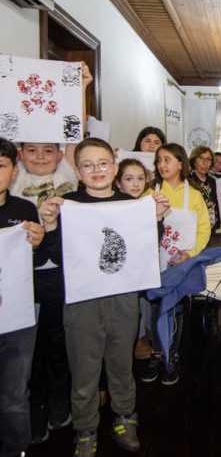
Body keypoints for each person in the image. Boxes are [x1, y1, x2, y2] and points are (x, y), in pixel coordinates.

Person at [38, 138, 169, 456]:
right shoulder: (67, 205)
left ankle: (125, 417)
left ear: (114, 167)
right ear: (78, 172)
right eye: (87, 165)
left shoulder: (131, 203)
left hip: (123, 299)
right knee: (83, 373)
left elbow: (144, 249)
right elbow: (56, 255)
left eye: (102, 163)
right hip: (81, 302)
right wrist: (51, 226)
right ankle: (85, 431)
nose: (96, 170)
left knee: (122, 366)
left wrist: (156, 219)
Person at [9, 63, 93, 444]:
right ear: (19, 155)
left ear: (60, 155)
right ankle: (37, 406)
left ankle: (60, 401)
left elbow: (74, 131)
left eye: (48, 150)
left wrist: (81, 87)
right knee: (33, 348)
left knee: (60, 342)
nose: (40, 157)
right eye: (31, 150)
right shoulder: (13, 179)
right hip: (24, 277)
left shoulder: (68, 174)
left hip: (62, 273)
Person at [142, 143, 210, 386]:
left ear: (181, 163)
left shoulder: (194, 195)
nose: (162, 164)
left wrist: (189, 254)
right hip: (154, 264)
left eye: (167, 159)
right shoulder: (148, 194)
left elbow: (204, 229)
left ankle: (172, 353)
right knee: (155, 309)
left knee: (176, 309)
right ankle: (157, 353)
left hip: (181, 264)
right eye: (159, 160)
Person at [0, 138, 45, 457]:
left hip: (17, 317)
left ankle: (16, 449)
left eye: (1, 165)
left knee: (15, 394)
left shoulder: (24, 210)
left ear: (14, 172)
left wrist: (39, 241)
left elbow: (35, 263)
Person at [114, 159, 153, 360]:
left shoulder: (146, 205)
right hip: (118, 274)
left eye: (140, 178)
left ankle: (138, 341)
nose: (136, 184)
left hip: (139, 271)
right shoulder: (113, 206)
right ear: (118, 183)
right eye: (129, 179)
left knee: (138, 308)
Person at [189, 145, 221, 231]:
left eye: (208, 159)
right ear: (194, 161)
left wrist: (217, 222)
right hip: (195, 224)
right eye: (201, 158)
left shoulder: (212, 181)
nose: (205, 162)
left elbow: (215, 201)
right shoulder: (188, 180)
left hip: (211, 222)